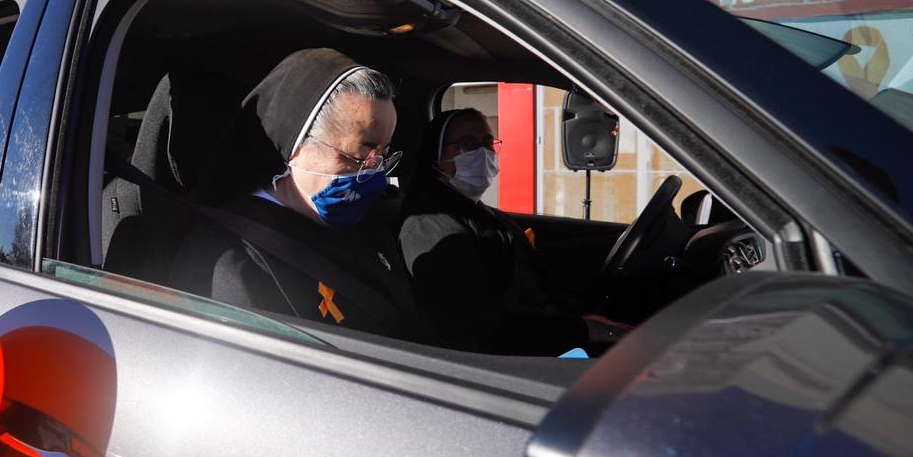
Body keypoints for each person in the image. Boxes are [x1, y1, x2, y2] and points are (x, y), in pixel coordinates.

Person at [174, 48, 432, 340]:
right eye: (360, 155)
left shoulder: (366, 223)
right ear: (294, 145)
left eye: (383, 156)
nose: (374, 172)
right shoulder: (229, 258)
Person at [398, 108, 625, 355]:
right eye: (467, 144)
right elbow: (481, 326)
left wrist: (583, 319)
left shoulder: (480, 213)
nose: (482, 152)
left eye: (487, 143)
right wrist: (585, 329)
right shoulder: (431, 227)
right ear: (436, 156)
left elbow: (533, 293)